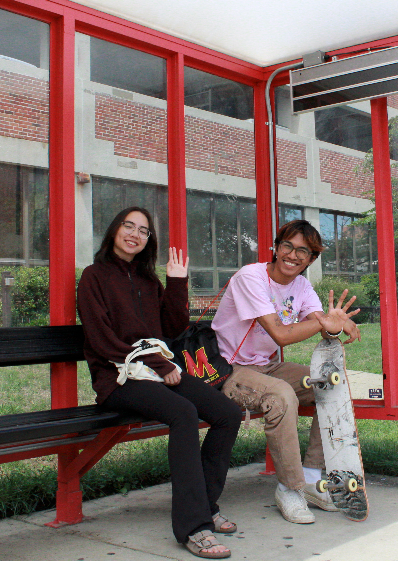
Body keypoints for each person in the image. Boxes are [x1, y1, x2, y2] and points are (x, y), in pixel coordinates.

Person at [78, 207, 242, 559]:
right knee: (183, 413)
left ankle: (206, 504)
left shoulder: (148, 281)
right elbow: (101, 341)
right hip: (118, 378)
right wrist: (156, 361)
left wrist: (177, 282)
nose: (134, 234)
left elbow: (171, 330)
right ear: (114, 230)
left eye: (143, 231)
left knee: (227, 413)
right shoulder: (93, 277)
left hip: (156, 372)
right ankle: (193, 527)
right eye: (128, 226)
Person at [212, 219, 361, 525]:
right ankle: (289, 489)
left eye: (303, 251)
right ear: (276, 248)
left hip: (266, 366)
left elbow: (322, 326)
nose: (293, 255)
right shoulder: (250, 278)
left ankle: (310, 480)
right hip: (229, 370)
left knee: (330, 384)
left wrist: (334, 324)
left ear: (312, 259)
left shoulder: (302, 286)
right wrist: (324, 323)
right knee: (281, 396)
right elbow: (280, 334)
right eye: (287, 246)